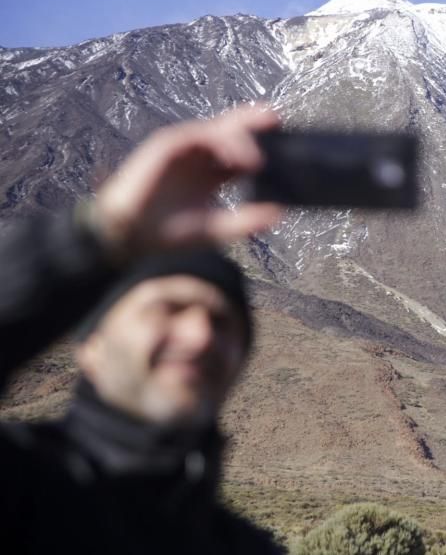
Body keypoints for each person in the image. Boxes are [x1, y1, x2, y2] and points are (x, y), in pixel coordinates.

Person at [0, 107, 286, 553]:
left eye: (223, 322)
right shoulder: (21, 489)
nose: (200, 336)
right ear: (90, 344)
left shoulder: (246, 548)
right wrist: (101, 233)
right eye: (168, 309)